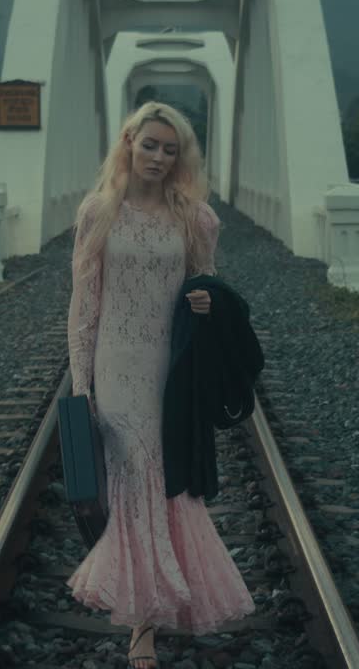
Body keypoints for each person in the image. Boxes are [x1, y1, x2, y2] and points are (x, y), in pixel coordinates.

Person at [66, 101, 255, 669]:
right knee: (134, 480)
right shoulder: (99, 211)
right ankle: (143, 627)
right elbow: (84, 305)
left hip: (172, 372)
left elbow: (210, 289)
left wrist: (205, 301)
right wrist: (82, 385)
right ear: (128, 143)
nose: (158, 157)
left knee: (166, 483)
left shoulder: (195, 219)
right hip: (116, 367)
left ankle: (154, 601)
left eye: (169, 149)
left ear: (180, 158)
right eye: (149, 144)